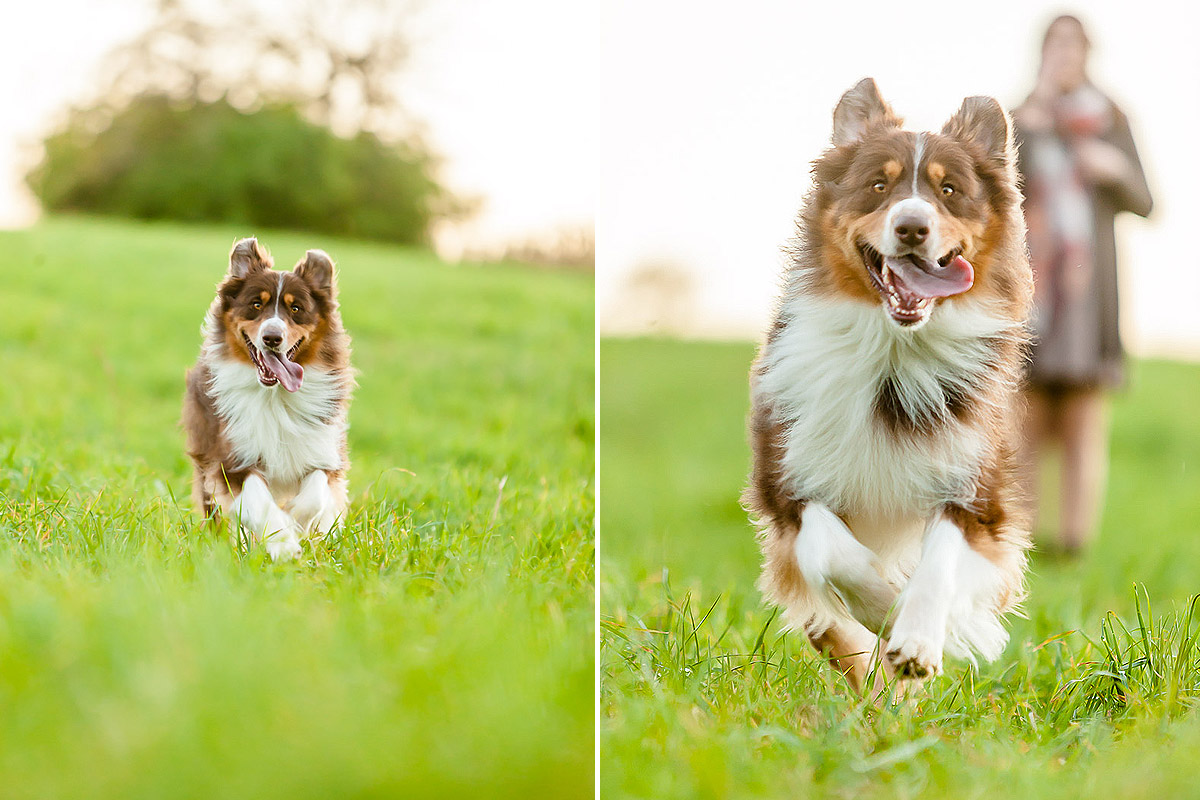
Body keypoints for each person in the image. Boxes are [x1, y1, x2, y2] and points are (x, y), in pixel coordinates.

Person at [1013, 14, 1153, 555]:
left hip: (1088, 298)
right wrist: (1031, 126)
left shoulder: (1112, 119)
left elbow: (1146, 202)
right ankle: (1019, 542)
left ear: (1089, 55)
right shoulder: (1016, 119)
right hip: (1030, 292)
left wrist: (1114, 169)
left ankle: (1073, 544)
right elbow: (989, 196)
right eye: (1056, 48)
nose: (1066, 58)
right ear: (1042, 53)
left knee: (1082, 420)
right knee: (1024, 419)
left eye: (1075, 49)